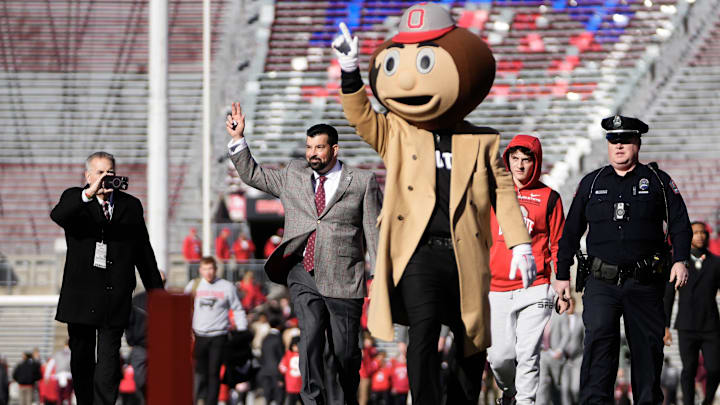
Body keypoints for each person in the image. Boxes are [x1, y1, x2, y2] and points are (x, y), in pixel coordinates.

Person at [332, 4, 534, 404]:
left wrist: (520, 242)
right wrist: (351, 71)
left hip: (465, 253)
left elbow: (503, 192)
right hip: (418, 250)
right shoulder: (399, 132)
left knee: (470, 338)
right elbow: (361, 118)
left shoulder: (482, 141)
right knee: (423, 330)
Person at [226, 103, 382, 405]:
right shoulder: (293, 174)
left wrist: (376, 276)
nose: (312, 153)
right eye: (309, 146)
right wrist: (238, 140)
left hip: (344, 278)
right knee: (309, 339)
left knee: (345, 352)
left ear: (334, 149)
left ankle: (346, 397)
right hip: (303, 272)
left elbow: (372, 233)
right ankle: (312, 400)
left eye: (319, 147)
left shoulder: (361, 182)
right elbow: (254, 175)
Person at [556, 115, 691, 404]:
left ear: (637, 143)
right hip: (601, 282)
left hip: (644, 283)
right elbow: (569, 233)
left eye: (625, 140)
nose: (618, 146)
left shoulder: (657, 181)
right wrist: (561, 275)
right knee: (598, 344)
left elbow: (680, 224)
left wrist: (680, 259)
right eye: (613, 140)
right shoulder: (592, 183)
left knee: (647, 351)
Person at [50, 151, 164, 405]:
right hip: (81, 297)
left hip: (115, 297)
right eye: (100, 173)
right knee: (81, 360)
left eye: (110, 173)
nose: (106, 178)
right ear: (88, 175)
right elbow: (58, 215)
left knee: (109, 363)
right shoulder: (75, 198)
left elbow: (143, 253)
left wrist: (158, 295)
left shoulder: (130, 206)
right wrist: (89, 193)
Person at [486, 135, 565, 404]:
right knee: (499, 357)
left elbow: (558, 244)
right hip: (495, 287)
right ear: (507, 159)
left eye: (526, 160)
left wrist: (562, 282)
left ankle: (526, 401)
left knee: (528, 353)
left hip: (536, 286)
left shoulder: (550, 198)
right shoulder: (491, 192)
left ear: (536, 162)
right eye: (515, 159)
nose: (520, 166)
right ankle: (509, 392)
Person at [663, 221, 720, 405]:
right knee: (689, 369)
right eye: (695, 232)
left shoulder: (716, 263)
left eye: (703, 232)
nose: (700, 236)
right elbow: (669, 295)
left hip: (711, 325)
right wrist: (665, 326)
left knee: (715, 368)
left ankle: (708, 401)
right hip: (687, 325)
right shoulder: (679, 264)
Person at [184, 256, 248, 405]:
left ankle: (211, 401)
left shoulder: (226, 287)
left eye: (211, 269)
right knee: (200, 371)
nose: (208, 272)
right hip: (199, 335)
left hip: (219, 335)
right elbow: (184, 308)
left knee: (214, 372)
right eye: (205, 269)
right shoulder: (194, 286)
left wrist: (242, 331)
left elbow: (237, 309)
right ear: (200, 270)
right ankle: (198, 397)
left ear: (216, 270)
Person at [125, 270, 166, 403]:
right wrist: (131, 341)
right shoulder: (136, 300)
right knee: (140, 380)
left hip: (162, 348)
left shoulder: (169, 300)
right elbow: (129, 322)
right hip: (140, 347)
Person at [257, 311, 285, 405]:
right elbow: (281, 356)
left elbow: (262, 356)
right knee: (279, 396)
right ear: (279, 326)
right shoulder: (278, 338)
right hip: (276, 371)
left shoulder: (265, 338)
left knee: (267, 396)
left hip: (264, 370)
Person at [280, 336, 303, 405]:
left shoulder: (303, 355)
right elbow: (282, 366)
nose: (296, 348)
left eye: (298, 346)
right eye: (294, 346)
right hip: (291, 385)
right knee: (291, 402)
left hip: (301, 385)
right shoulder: (288, 354)